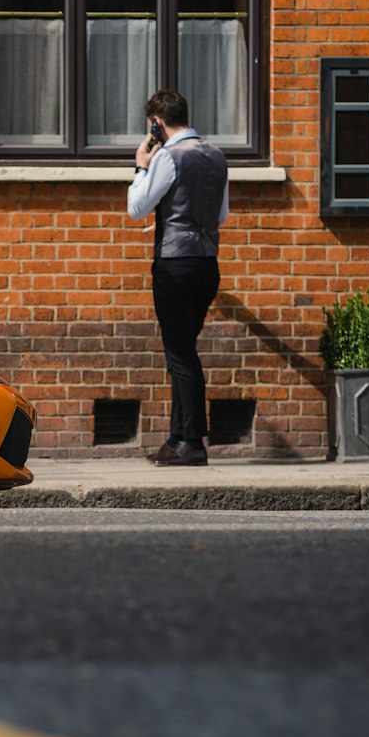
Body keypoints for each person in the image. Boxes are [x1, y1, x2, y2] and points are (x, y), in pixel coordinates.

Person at [127, 89, 229, 467]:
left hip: (175, 264)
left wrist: (141, 165)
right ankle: (176, 437)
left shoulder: (167, 157)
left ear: (156, 123)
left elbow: (137, 207)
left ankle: (192, 443)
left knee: (182, 356)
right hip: (207, 266)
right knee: (181, 353)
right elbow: (221, 217)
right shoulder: (217, 155)